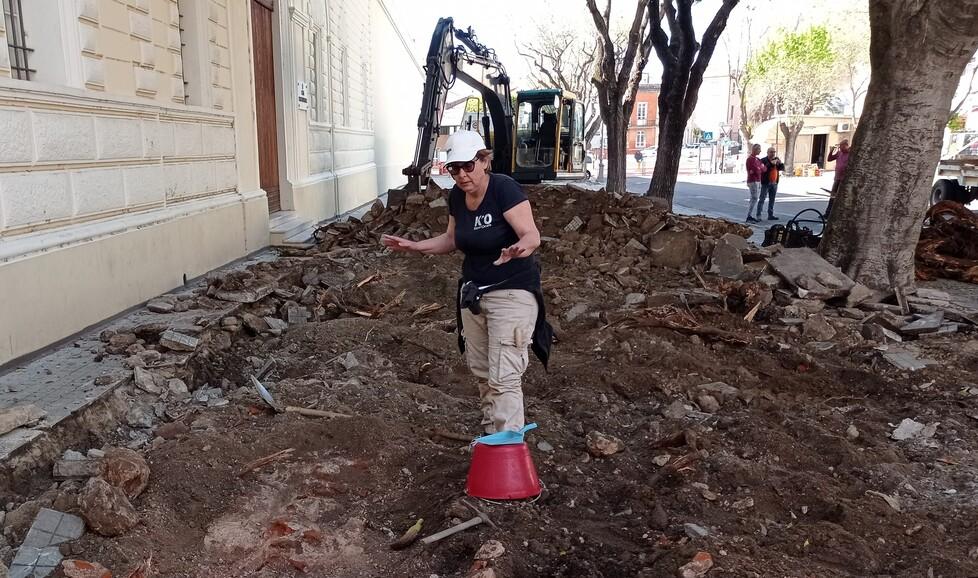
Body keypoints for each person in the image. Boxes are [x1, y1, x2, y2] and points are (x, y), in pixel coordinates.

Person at [381, 130, 552, 434]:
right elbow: (451, 239)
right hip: (474, 294)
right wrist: (415, 246)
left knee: (504, 376)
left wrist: (518, 248)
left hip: (512, 291)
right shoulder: (458, 197)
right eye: (454, 168)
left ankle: (508, 447)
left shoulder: (503, 189)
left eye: (468, 166)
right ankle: (491, 436)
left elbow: (531, 235)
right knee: (483, 371)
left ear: (484, 161)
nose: (461, 175)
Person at [758, 147, 785, 221]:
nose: (773, 153)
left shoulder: (776, 159)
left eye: (774, 152)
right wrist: (771, 163)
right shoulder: (763, 160)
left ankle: (770, 215)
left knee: (772, 200)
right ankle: (758, 215)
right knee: (762, 199)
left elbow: (782, 168)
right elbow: (764, 170)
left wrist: (780, 163)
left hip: (774, 182)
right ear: (767, 153)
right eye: (771, 152)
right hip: (766, 183)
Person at [826, 139, 850, 217]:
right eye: (840, 146)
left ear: (846, 146)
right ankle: (828, 213)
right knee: (832, 196)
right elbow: (829, 159)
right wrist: (831, 151)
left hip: (844, 179)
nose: (840, 148)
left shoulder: (850, 154)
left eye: (842, 146)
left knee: (841, 197)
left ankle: (838, 214)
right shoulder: (839, 153)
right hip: (837, 178)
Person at [745, 144, 764, 223]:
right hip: (753, 180)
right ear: (755, 150)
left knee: (754, 198)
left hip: (758, 180)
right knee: (754, 198)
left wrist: (759, 168)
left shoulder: (758, 159)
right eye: (759, 149)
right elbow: (755, 170)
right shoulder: (750, 159)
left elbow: (763, 169)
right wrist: (759, 168)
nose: (760, 151)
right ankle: (749, 216)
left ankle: (750, 215)